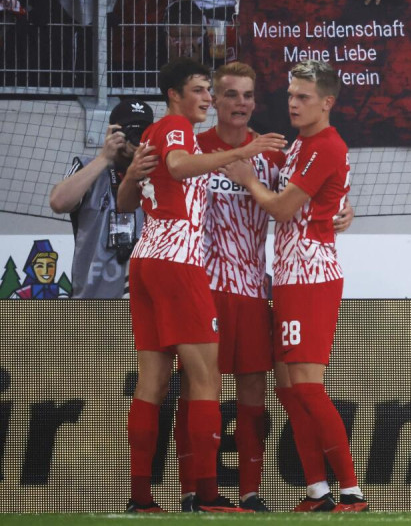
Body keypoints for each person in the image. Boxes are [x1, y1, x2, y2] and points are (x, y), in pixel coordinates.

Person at [174, 61, 354, 513]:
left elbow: (305, 198)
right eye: (231, 95)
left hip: (258, 287)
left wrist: (341, 212)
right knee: (200, 389)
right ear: (214, 100)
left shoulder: (273, 151)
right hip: (205, 285)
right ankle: (197, 489)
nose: (240, 103)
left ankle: (253, 492)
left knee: (260, 391)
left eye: (248, 96)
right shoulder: (195, 149)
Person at [116, 56, 284, 513]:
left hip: (148, 258)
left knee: (152, 382)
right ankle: (206, 495)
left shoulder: (158, 131)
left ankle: (141, 498)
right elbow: (178, 164)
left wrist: (131, 173)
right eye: (202, 90)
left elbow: (127, 198)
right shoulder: (176, 128)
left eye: (212, 91)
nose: (208, 98)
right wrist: (240, 153)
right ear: (174, 94)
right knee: (204, 382)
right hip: (180, 263)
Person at [222, 59, 367, 513]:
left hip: (311, 275)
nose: (293, 104)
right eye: (289, 96)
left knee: (306, 387)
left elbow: (284, 209)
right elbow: (328, 195)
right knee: (288, 389)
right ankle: (317, 490)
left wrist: (247, 180)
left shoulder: (326, 145)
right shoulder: (301, 146)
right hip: (286, 276)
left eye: (303, 97)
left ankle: (351, 490)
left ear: (327, 102)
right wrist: (344, 206)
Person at [49, 98, 157, 298]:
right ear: (113, 133)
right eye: (130, 131)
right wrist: (103, 158)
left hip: (144, 303)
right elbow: (58, 202)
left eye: (143, 132)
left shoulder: (159, 173)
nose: (137, 139)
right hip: (93, 301)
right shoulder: (88, 167)